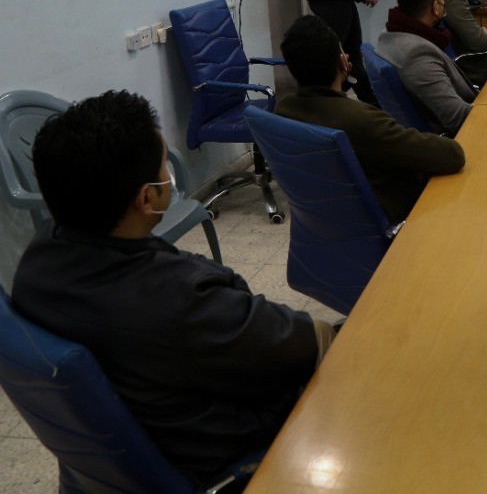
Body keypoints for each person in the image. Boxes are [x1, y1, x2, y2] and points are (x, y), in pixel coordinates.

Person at [11, 90, 333, 486]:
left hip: (142, 443)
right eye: (164, 165)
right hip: (227, 456)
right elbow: (303, 345)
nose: (169, 174)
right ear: (147, 197)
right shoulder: (184, 299)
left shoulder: (36, 263)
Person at [276, 15, 465, 222]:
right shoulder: (359, 118)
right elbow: (452, 155)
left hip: (327, 221)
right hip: (396, 217)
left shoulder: (283, 110)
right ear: (342, 62)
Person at [376, 0, 478, 136]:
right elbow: (457, 117)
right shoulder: (418, 54)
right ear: (436, 7)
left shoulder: (387, 35)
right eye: (443, 0)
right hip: (461, 137)